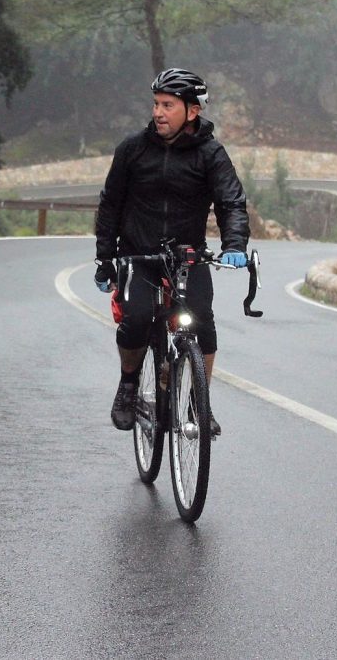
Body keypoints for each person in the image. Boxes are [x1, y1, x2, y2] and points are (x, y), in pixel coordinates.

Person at [93, 68, 250, 436]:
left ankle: (199, 405)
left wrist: (235, 246)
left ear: (192, 112)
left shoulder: (211, 154)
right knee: (136, 319)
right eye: (156, 104)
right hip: (139, 256)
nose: (158, 112)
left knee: (203, 325)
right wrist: (105, 257)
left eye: (168, 105)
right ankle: (129, 385)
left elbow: (231, 202)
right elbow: (110, 205)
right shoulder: (132, 150)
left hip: (187, 256)